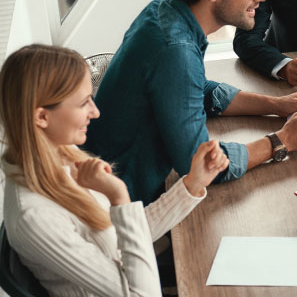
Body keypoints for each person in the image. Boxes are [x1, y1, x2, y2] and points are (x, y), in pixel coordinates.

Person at [85, 0, 297, 206]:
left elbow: (196, 89)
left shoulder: (165, 10)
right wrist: (282, 141)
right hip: (126, 205)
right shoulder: (175, 51)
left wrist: (277, 105)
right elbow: (202, 164)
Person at [0, 44, 229, 295]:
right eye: (83, 102)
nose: (95, 111)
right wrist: (118, 196)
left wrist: (193, 184)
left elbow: (127, 238)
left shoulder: (62, 156)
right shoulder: (36, 217)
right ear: (41, 117)